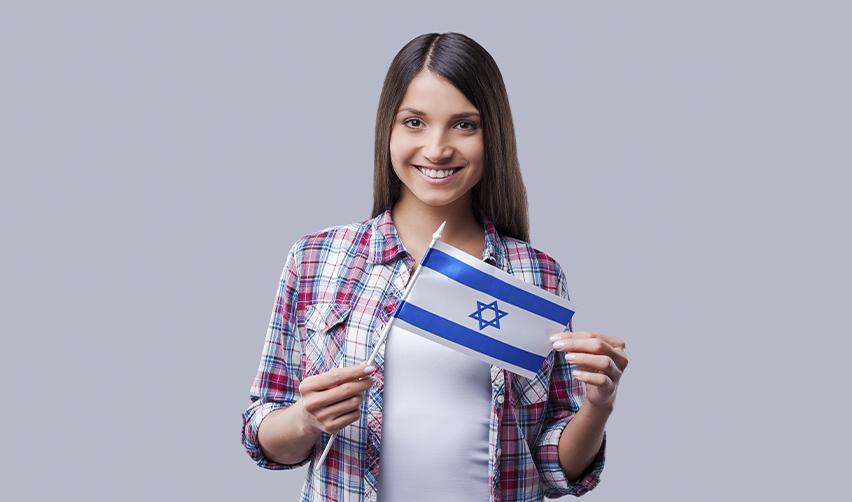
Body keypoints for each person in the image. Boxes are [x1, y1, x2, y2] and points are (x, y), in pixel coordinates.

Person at [240, 32, 628, 502]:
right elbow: (261, 433)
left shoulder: (534, 274)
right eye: (415, 122)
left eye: (464, 125)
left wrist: (598, 405)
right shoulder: (318, 258)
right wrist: (306, 418)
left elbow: (554, 468)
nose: (438, 148)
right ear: (389, 128)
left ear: (494, 136)